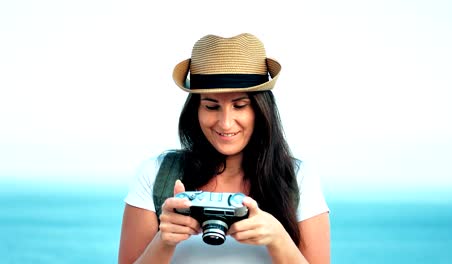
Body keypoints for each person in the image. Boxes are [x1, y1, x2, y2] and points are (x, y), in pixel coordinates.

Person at [118, 33, 330, 264]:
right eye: (211, 106)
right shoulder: (156, 174)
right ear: (195, 110)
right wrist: (164, 240)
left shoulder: (298, 178)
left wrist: (278, 238)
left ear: (261, 110)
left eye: (240, 106)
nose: (226, 123)